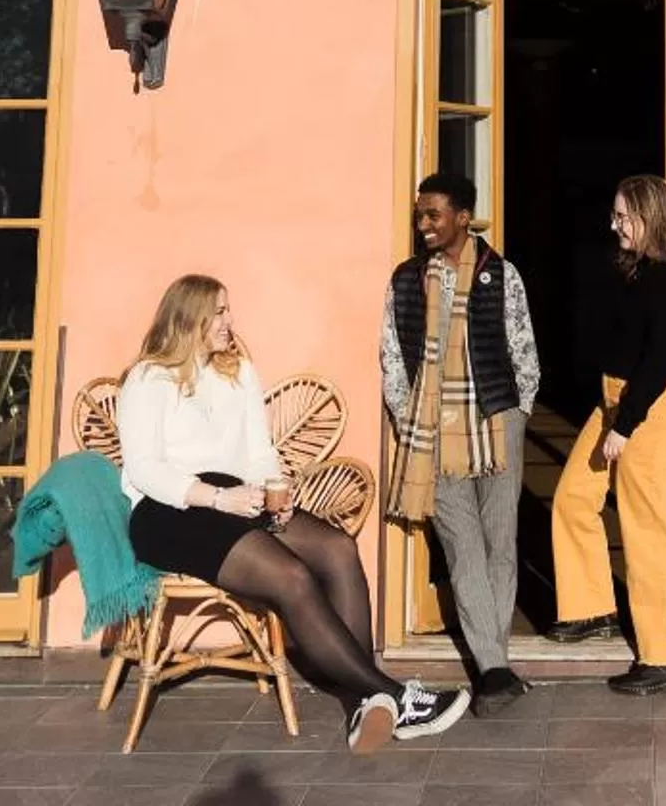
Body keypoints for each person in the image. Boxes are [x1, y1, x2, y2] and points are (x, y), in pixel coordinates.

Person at [117, 275, 468, 754]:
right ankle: (392, 695)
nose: (229, 321)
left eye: (228, 310)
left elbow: (259, 452)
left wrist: (272, 492)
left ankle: (368, 701)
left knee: (337, 548)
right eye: (219, 312)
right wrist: (218, 499)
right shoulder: (147, 378)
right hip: (168, 510)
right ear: (189, 319)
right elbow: (145, 469)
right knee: (293, 577)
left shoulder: (236, 370)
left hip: (234, 496)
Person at [380, 172, 542, 716]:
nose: (423, 225)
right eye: (419, 216)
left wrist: (520, 411)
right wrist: (408, 420)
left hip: (497, 423)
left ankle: (493, 662)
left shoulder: (502, 274)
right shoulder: (405, 280)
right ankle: (495, 669)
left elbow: (523, 345)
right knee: (462, 547)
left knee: (501, 542)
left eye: (433, 215)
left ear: (463, 218)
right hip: (433, 432)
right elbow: (392, 359)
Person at [544, 175, 666, 695]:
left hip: (648, 409)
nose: (614, 225)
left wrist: (627, 425)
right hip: (613, 398)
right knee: (572, 498)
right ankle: (592, 607)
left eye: (623, 217)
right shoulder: (638, 271)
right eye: (614, 216)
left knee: (649, 530)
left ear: (649, 217)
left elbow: (661, 361)